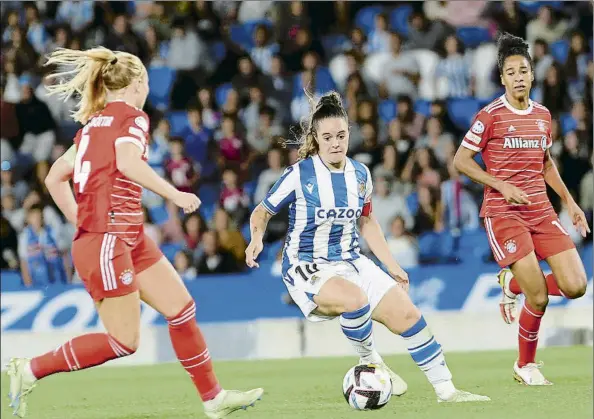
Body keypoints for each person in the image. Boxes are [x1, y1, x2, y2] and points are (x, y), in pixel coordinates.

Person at [6, 47, 263, 419]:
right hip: (107, 239)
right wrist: (174, 194)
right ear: (138, 83)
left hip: (124, 235)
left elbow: (53, 177)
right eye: (145, 82)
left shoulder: (91, 126)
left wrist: (80, 219)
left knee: (181, 308)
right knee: (125, 342)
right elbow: (127, 162)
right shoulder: (133, 117)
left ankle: (213, 399)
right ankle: (29, 369)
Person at [245, 90, 490, 403]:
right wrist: (256, 238)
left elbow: (367, 221)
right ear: (317, 139)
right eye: (328, 137)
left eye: (342, 135)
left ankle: (447, 390)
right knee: (356, 300)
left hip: (351, 261)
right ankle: (372, 361)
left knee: (409, 315)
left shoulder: (360, 174)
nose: (336, 143)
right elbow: (262, 211)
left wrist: (392, 265)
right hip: (307, 266)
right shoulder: (299, 174)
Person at [453, 33, 589, 386]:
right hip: (503, 212)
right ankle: (524, 365)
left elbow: (545, 164)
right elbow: (461, 161)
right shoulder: (490, 116)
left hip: (540, 210)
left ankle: (513, 283)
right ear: (502, 78)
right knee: (540, 297)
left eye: (523, 70)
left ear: (532, 75)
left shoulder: (543, 116)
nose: (517, 76)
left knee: (576, 286)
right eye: (510, 71)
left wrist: (570, 202)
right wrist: (500, 185)